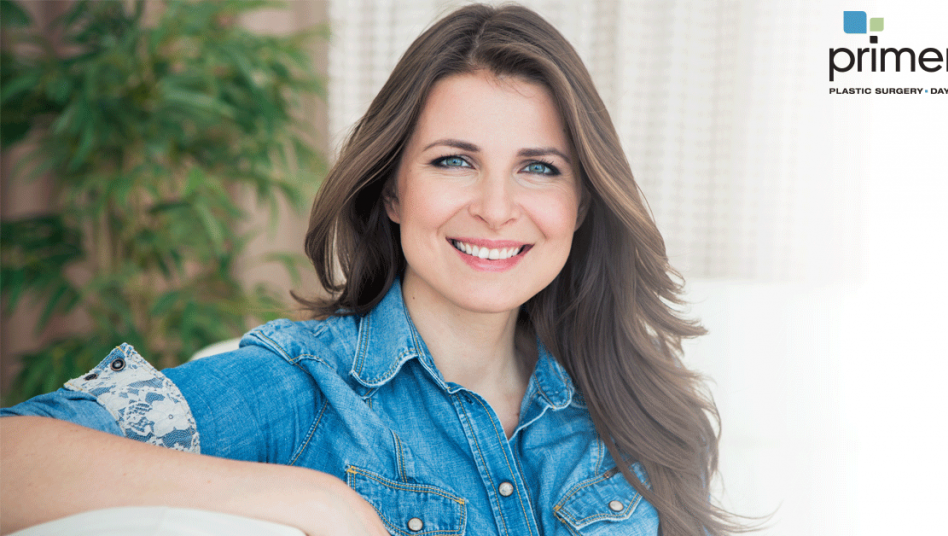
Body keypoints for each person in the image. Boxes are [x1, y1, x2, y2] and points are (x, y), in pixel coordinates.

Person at [1, 4, 737, 535]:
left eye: (540, 169)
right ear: (392, 189)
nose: (496, 207)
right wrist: (316, 503)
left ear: (581, 205)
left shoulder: (639, 410)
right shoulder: (303, 386)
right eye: (455, 161)